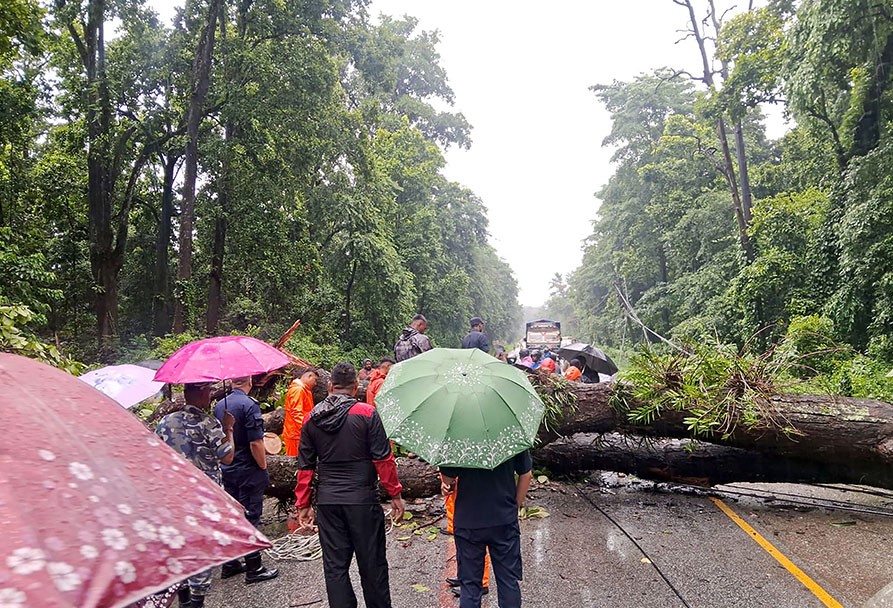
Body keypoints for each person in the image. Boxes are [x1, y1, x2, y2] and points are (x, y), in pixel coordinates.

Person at [295, 362, 405, 608]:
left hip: (328, 502)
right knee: (372, 564)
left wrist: (303, 503)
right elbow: (383, 459)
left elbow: (305, 466)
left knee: (335, 567)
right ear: (356, 387)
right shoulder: (367, 413)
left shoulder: (311, 418)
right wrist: (395, 494)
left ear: (330, 386)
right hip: (362, 501)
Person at [156, 383, 234, 608]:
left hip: (173, 494)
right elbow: (227, 457)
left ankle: (182, 595)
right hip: (204, 496)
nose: (210, 396)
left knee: (179, 543)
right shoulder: (209, 423)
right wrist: (228, 429)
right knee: (202, 545)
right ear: (201, 394)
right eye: (208, 392)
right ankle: (196, 600)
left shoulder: (165, 423)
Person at [440, 450, 533, 608]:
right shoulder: (511, 434)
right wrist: (514, 505)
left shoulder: (458, 437)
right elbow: (526, 474)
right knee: (508, 581)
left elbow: (448, 478)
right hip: (503, 518)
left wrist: (446, 484)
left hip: (468, 521)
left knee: (470, 586)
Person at [214, 376, 279, 584]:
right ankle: (254, 567)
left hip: (227, 467)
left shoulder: (219, 406)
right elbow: (256, 443)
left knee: (232, 516)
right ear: (249, 382)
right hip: (248, 468)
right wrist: (263, 466)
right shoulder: (249, 405)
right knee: (251, 515)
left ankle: (230, 563)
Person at [283, 368, 319, 456]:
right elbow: (296, 412)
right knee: (293, 461)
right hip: (295, 433)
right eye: (315, 380)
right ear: (309, 376)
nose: (315, 383)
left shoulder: (304, 389)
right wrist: (305, 428)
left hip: (299, 432)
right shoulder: (298, 390)